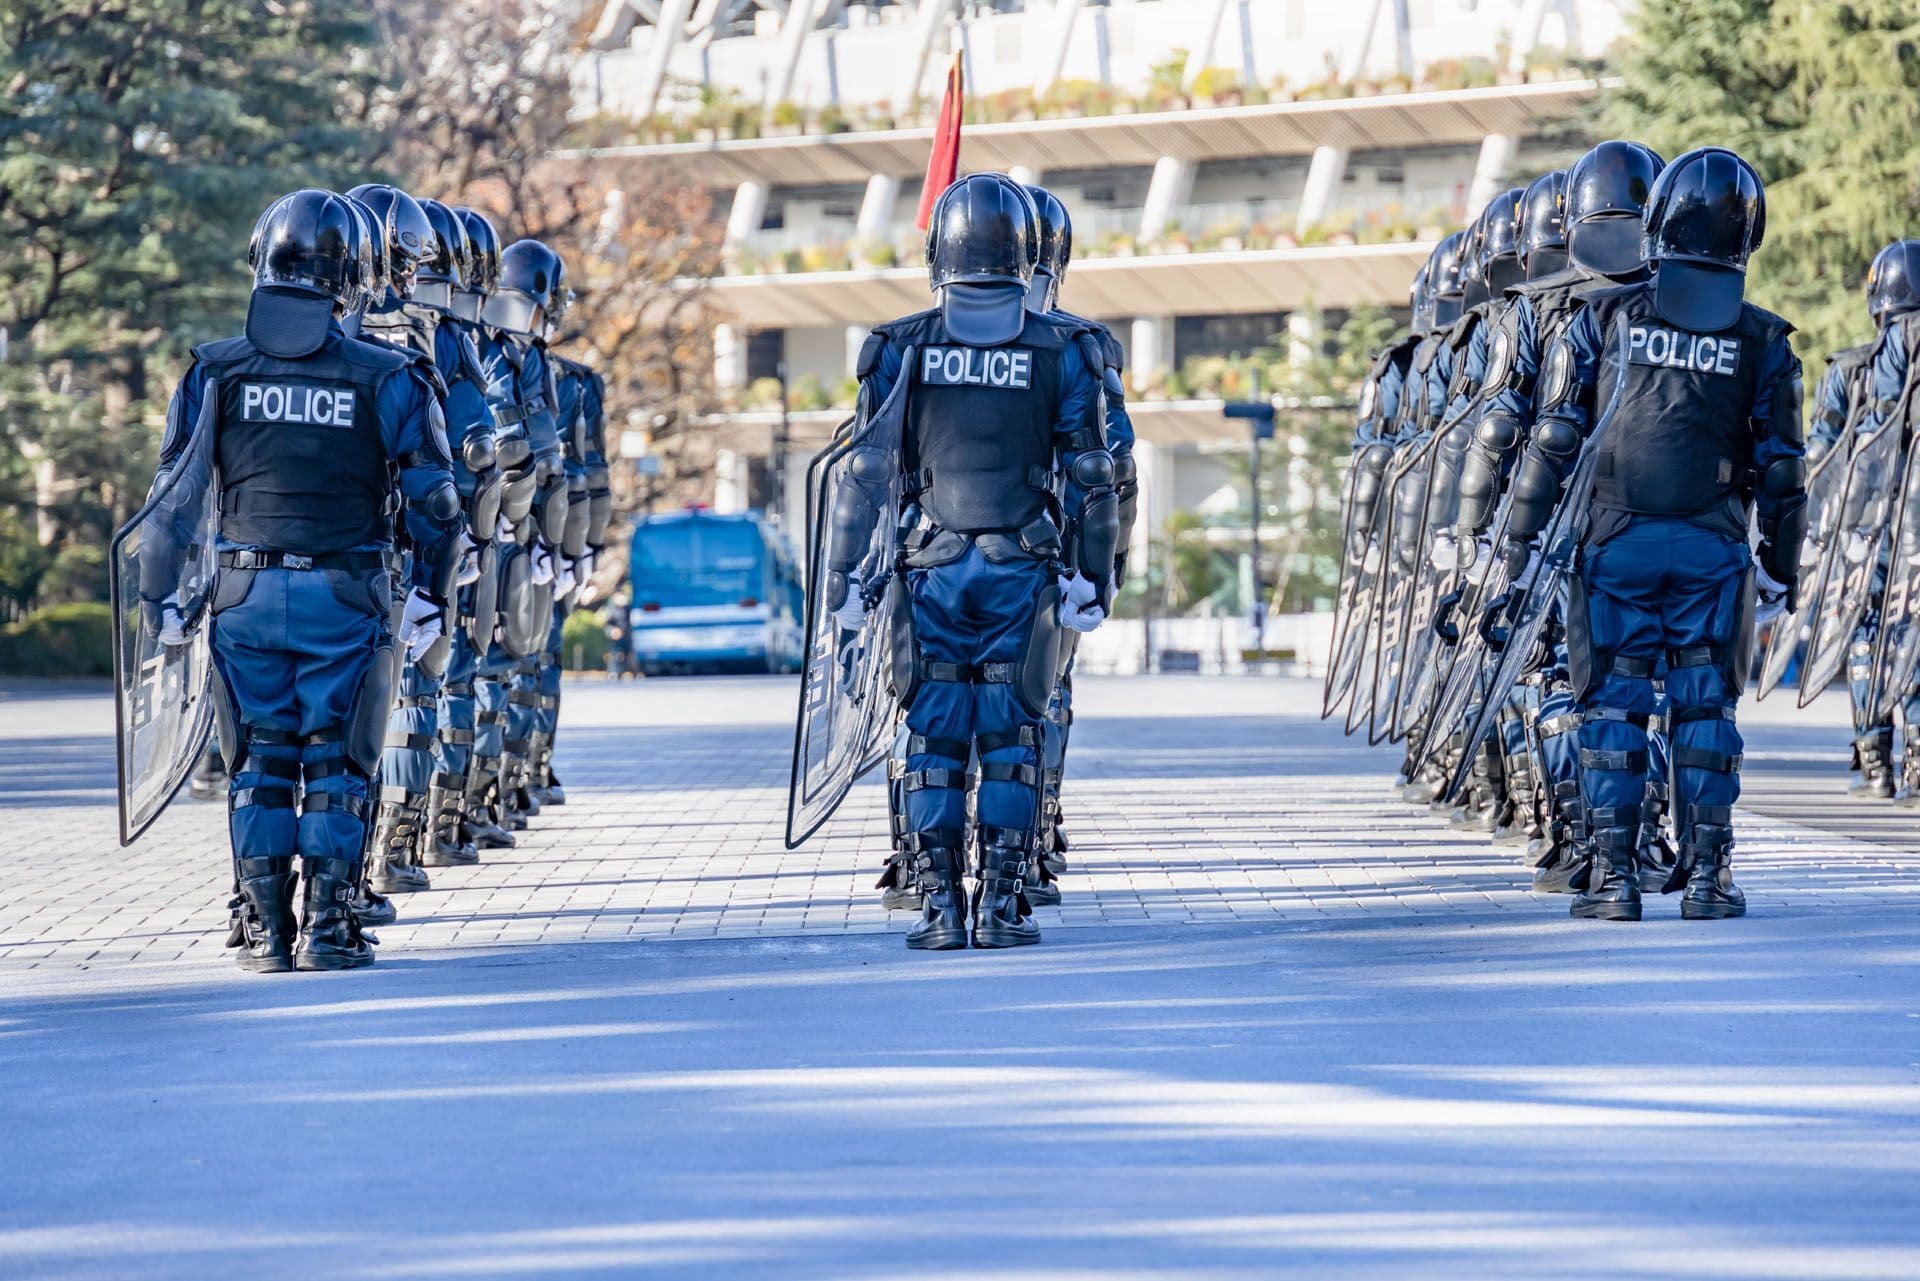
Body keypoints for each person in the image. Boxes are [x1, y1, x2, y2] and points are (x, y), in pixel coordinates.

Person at [156, 189, 462, 971]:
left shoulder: (213, 371)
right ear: (353, 276)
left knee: (259, 761)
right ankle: (329, 926)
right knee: (335, 761)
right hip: (344, 597)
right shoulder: (389, 375)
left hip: (243, 598)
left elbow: (172, 500)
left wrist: (160, 599)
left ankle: (263, 928)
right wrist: (432, 591)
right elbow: (436, 501)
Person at [1497, 147, 1802, 921]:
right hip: (1714, 549)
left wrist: (1514, 548)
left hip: (1614, 548)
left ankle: (1613, 879)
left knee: (1614, 706)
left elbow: (1553, 441)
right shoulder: (1766, 341)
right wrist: (1781, 569)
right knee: (1705, 708)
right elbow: (1783, 471)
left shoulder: (1595, 319)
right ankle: (1706, 880)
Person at [834, 172, 1117, 949]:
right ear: (1028, 254)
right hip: (1023, 569)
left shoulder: (899, 345)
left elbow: (865, 472)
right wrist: (1096, 579)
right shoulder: (1067, 349)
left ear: (938, 250)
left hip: (926, 568)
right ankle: (999, 903)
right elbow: (1095, 476)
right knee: (1008, 736)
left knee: (932, 736)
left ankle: (937, 907)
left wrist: (842, 580)